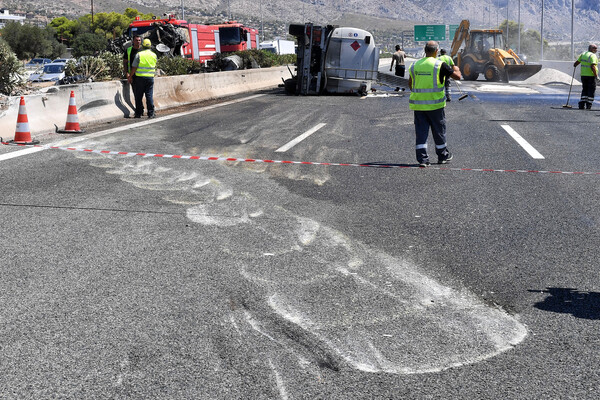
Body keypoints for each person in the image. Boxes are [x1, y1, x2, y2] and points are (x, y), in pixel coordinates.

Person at [408, 41, 461, 167]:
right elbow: (457, 77)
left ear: (425, 50)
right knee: (439, 131)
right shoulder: (440, 64)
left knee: (421, 132)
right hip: (436, 106)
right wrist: (457, 69)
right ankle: (442, 156)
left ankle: (423, 160)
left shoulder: (415, 65)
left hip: (419, 106)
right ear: (436, 51)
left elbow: (410, 84)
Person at [128, 38, 158, 119]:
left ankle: (138, 113)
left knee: (138, 96)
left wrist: (130, 76)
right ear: (150, 46)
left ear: (143, 46)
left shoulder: (139, 54)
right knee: (149, 96)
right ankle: (151, 113)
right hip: (150, 78)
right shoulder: (154, 55)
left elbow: (134, 67)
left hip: (140, 78)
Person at [573, 44, 598, 110]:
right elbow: (593, 66)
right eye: (595, 48)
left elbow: (576, 63)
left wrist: (575, 65)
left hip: (583, 76)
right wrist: (596, 76)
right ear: (591, 49)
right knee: (591, 90)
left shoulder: (583, 54)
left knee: (585, 89)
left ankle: (582, 104)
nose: (596, 50)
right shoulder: (593, 56)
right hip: (591, 76)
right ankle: (588, 104)